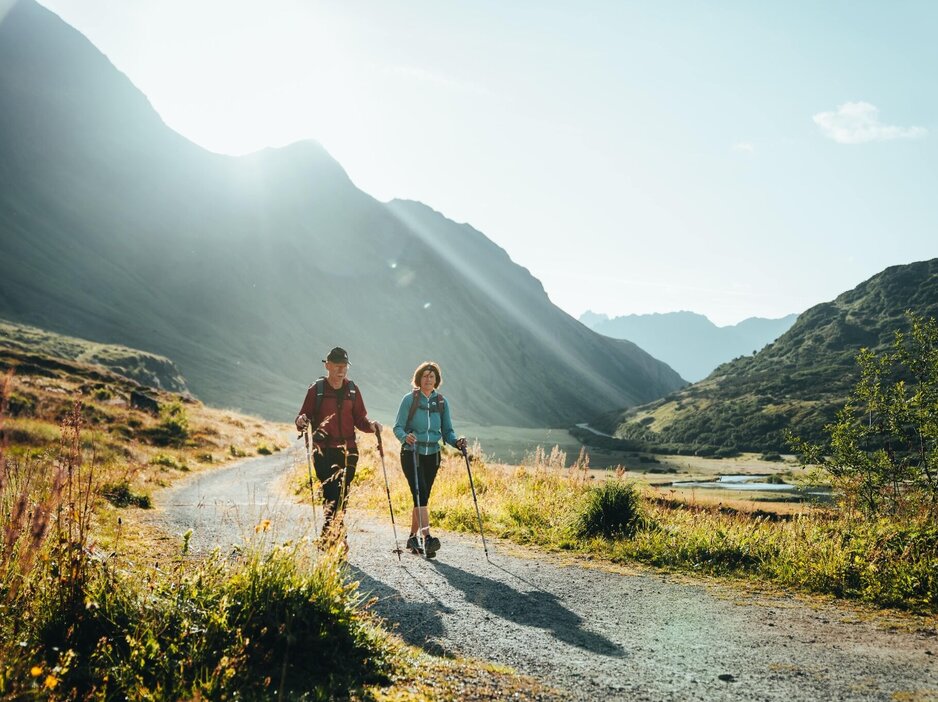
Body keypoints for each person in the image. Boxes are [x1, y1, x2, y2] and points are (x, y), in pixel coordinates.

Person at [295, 347, 379, 549]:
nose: (341, 370)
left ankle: (329, 538)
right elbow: (303, 416)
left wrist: (372, 426)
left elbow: (360, 419)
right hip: (323, 451)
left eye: (344, 366)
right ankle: (338, 538)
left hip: (349, 451)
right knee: (331, 493)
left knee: (342, 494)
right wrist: (301, 421)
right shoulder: (317, 390)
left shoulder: (352, 390)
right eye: (337, 366)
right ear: (327, 366)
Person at [393, 361, 466, 556]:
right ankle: (427, 539)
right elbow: (397, 427)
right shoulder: (409, 399)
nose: (428, 379)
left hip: (432, 455)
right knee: (421, 494)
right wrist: (404, 437)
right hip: (411, 453)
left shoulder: (441, 402)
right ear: (419, 378)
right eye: (425, 375)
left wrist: (456, 442)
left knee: (422, 498)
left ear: (436, 380)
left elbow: (447, 432)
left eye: (431, 376)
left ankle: (412, 537)